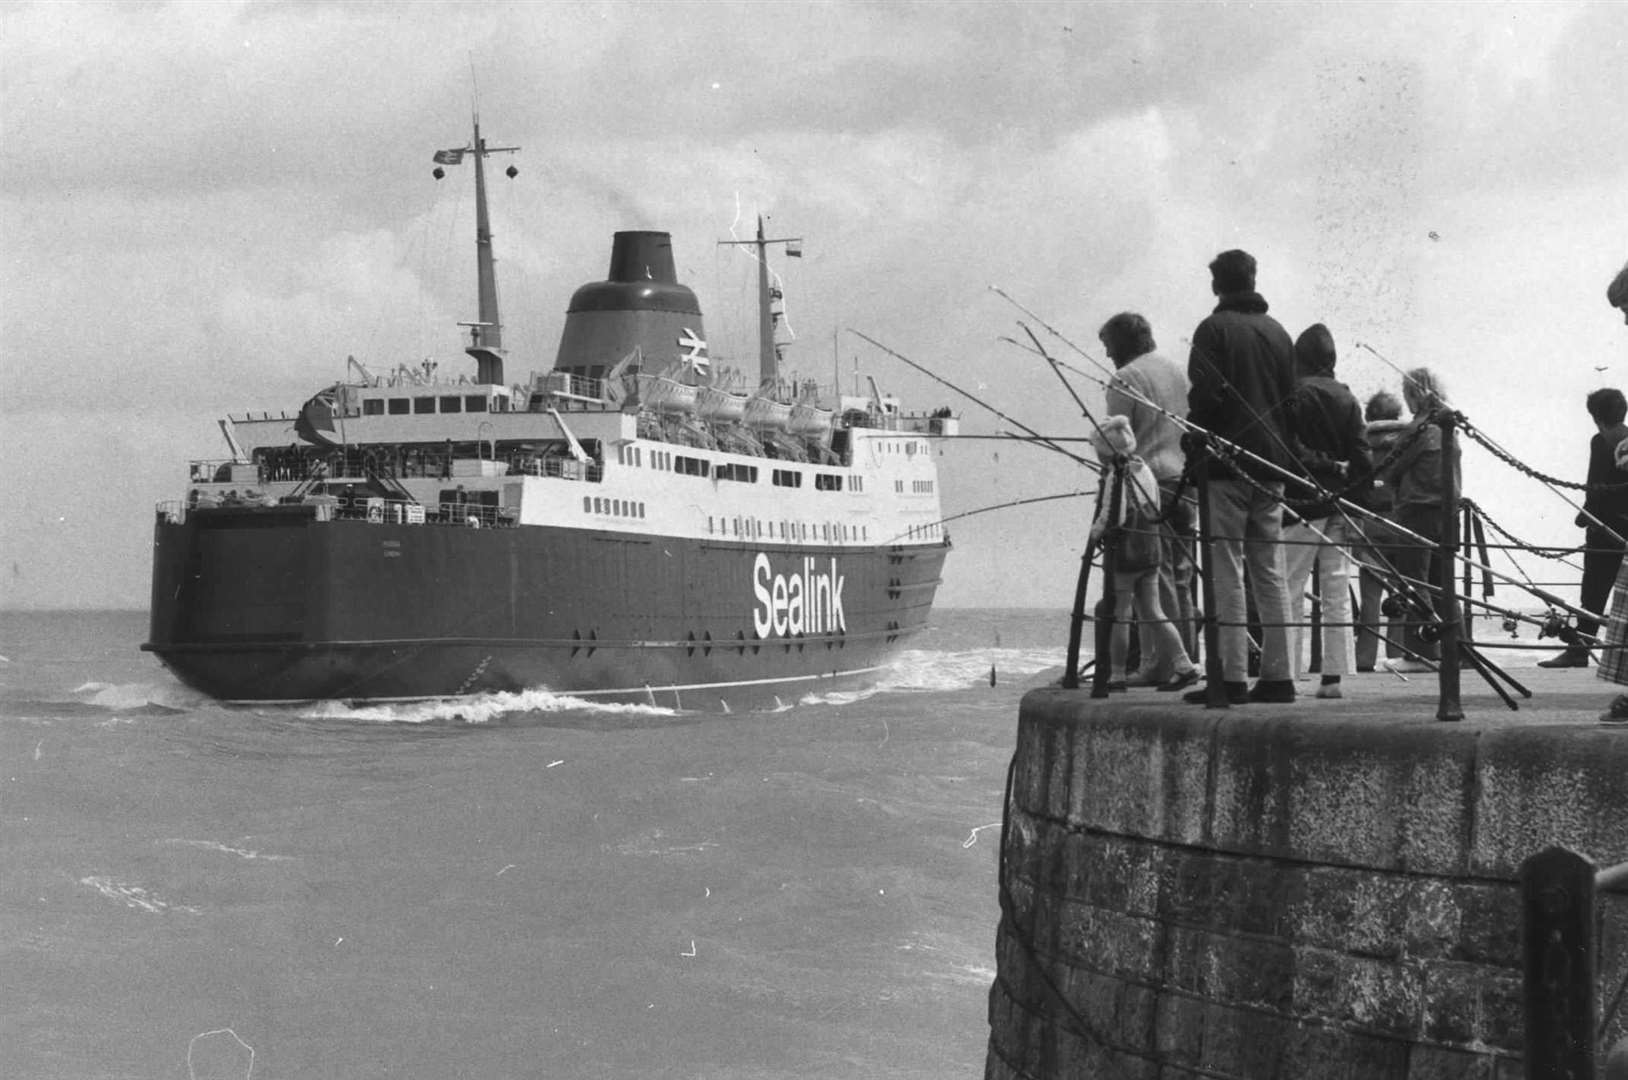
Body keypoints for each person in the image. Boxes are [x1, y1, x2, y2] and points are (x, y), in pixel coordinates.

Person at [1181, 249, 1299, 705]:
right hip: (1272, 466)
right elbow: (1292, 401)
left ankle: (1228, 678)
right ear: (1253, 279)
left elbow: (1205, 396)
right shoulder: (1279, 333)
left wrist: (1198, 435)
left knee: (1226, 570)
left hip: (1226, 465)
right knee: (1269, 572)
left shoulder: (1213, 330)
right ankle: (1279, 677)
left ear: (1216, 284)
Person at [1100, 312, 1198, 682]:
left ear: (1122, 344)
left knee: (1160, 577)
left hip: (1148, 489)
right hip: (1185, 480)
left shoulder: (1125, 378)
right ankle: (1187, 659)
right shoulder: (1177, 373)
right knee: (1183, 575)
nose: (1108, 356)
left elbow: (1116, 443)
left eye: (1109, 347)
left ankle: (1160, 665)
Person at [1282, 324, 1371, 699]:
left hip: (1302, 502)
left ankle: (1284, 671)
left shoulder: (1295, 395)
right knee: (1336, 589)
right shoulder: (1348, 398)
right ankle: (1333, 677)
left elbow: (1289, 448)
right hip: (1340, 503)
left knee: (1289, 586)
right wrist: (1359, 505)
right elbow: (1362, 456)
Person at [1089, 415, 1201, 692]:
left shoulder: (1116, 477)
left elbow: (1110, 516)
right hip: (1150, 551)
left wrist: (1094, 535)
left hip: (1126, 555)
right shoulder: (1146, 470)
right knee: (1154, 611)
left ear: (1107, 454)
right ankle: (1184, 664)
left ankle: (1116, 675)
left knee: (1121, 614)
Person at [1377, 368, 1459, 672]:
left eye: (1406, 393)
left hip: (1418, 511)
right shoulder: (1449, 424)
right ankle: (1458, 650)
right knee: (1444, 585)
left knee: (1415, 582)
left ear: (1414, 394)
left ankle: (1421, 654)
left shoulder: (1419, 428)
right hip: (1448, 513)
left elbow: (1391, 469)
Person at [1539, 388, 1628, 668]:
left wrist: (1582, 518)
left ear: (1595, 416)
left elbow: (1596, 487)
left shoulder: (1601, 441)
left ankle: (1579, 651)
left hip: (1605, 529)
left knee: (1593, 592)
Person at [1353, 391, 1409, 671]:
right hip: (1400, 520)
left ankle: (1364, 659)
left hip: (1370, 522)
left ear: (1369, 414)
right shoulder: (1411, 438)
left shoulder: (1362, 441)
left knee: (1370, 598)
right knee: (1400, 592)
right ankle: (1395, 656)